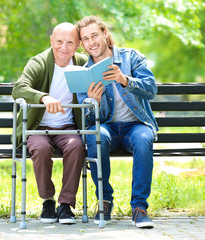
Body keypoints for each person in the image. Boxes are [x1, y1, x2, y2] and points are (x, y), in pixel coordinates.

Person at [76, 16, 158, 228]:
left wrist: (125, 80)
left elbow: (151, 89)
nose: (92, 42)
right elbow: (86, 121)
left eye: (94, 35)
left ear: (105, 33)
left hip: (136, 125)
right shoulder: (83, 73)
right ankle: (104, 201)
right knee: (96, 137)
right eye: (85, 39)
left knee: (143, 139)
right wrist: (90, 103)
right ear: (82, 44)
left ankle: (139, 208)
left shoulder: (132, 57)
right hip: (107, 127)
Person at [12, 22, 87, 224]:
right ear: (51, 41)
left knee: (77, 146)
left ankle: (65, 205)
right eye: (59, 41)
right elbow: (19, 89)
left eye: (70, 42)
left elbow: (93, 89)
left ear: (78, 44)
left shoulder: (81, 63)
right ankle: (47, 201)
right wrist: (44, 97)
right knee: (41, 148)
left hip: (67, 128)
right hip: (38, 128)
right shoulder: (39, 62)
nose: (64, 47)